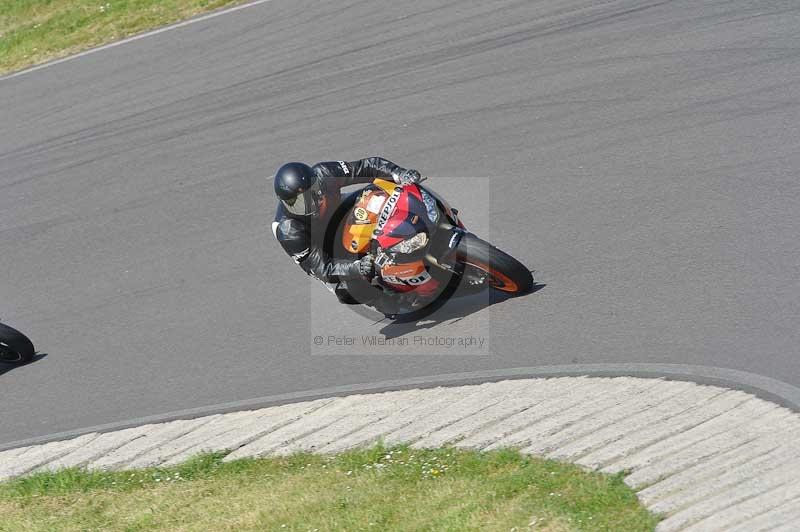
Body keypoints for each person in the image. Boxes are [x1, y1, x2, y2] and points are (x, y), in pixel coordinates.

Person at [272, 157, 422, 304]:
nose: (311, 206)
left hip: (337, 212)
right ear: (286, 203)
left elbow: (366, 167)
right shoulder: (289, 230)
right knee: (348, 290)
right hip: (321, 246)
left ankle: (416, 222)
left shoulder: (325, 173)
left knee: (377, 192)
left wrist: (399, 173)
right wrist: (357, 267)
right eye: (300, 204)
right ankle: (387, 299)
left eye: (313, 193)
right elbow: (323, 268)